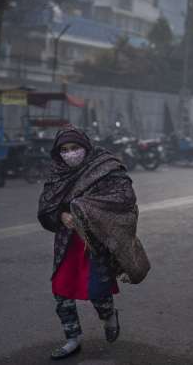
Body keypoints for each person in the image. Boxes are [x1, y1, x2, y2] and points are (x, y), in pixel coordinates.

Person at [38, 126, 149, 360]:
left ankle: (108, 316)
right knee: (61, 291)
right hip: (67, 243)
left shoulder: (105, 166)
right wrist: (61, 215)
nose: (70, 154)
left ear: (86, 147)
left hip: (96, 241)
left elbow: (124, 198)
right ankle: (72, 339)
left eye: (75, 148)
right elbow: (46, 206)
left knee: (98, 290)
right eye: (64, 150)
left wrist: (82, 210)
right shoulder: (57, 173)